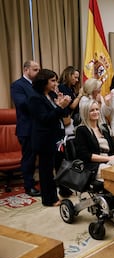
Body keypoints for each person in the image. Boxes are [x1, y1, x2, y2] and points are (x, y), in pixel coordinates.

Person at [75, 100, 114, 239]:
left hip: (109, 160)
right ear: (85, 113)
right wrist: (108, 159)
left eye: (96, 109)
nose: (95, 112)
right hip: (93, 166)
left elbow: (112, 148)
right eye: (91, 110)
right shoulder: (82, 130)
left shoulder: (103, 127)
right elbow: (85, 155)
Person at [28, 69, 71, 206]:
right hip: (44, 139)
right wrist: (59, 107)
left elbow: (62, 114)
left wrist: (64, 104)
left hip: (57, 137)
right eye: (52, 80)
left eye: (56, 80)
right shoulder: (35, 98)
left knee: (60, 165)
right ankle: (49, 199)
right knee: (46, 170)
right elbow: (45, 119)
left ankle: (64, 190)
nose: (55, 83)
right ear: (43, 81)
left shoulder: (52, 94)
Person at [10, 60, 41, 197]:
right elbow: (21, 103)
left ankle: (37, 181)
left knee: (38, 158)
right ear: (26, 70)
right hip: (26, 128)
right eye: (35, 69)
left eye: (38, 69)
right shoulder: (17, 85)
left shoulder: (37, 85)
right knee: (28, 158)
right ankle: (29, 186)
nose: (38, 72)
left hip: (39, 127)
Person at [58, 66, 81, 135]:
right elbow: (72, 106)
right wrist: (80, 95)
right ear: (69, 76)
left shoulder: (72, 88)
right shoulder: (62, 87)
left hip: (74, 120)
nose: (77, 80)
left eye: (78, 78)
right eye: (75, 77)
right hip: (68, 120)